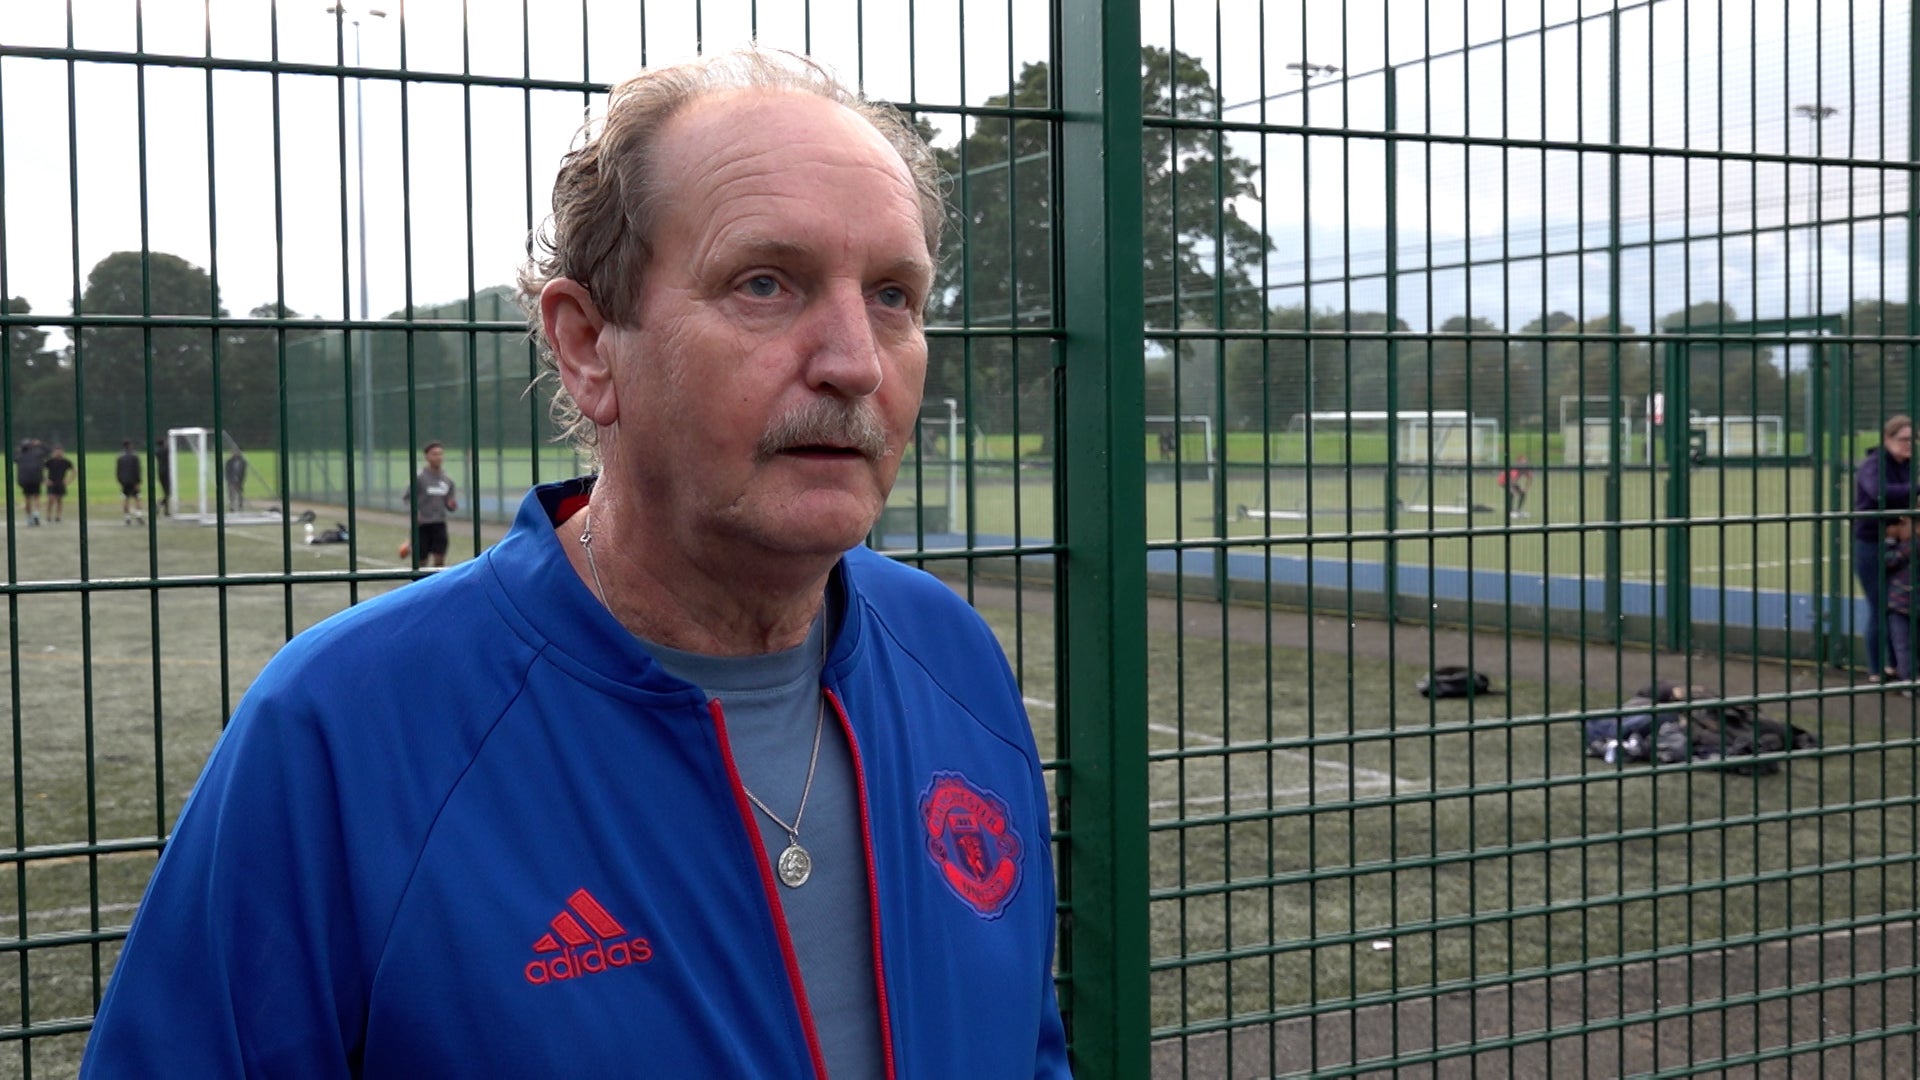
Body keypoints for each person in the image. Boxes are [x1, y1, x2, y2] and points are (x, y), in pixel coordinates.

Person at [84, 49, 1067, 1078]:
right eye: (765, 283)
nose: (855, 360)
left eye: (893, 295)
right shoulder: (344, 731)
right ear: (590, 345)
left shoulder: (952, 656)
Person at [1854, 415, 1915, 682]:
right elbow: (1880, 492)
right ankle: (1877, 671)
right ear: (1887, 439)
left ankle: (1896, 666)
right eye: (1903, 439)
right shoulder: (1873, 464)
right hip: (1871, 543)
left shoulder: (1908, 465)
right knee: (1879, 606)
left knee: (1898, 607)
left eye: (1913, 440)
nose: (1909, 444)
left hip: (1898, 542)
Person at [404, 440, 458, 567]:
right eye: (434, 454)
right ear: (427, 456)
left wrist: (451, 505)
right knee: (421, 562)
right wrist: (415, 512)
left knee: (439, 560)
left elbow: (450, 502)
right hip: (422, 525)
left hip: (439, 524)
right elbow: (407, 498)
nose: (438, 457)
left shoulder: (448, 480)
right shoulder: (419, 478)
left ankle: (437, 585)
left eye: (440, 454)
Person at [1885, 515, 1919, 692]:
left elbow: (1887, 561)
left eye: (1904, 524)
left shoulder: (1907, 547)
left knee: (1903, 645)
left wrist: (1890, 540)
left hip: (1901, 604)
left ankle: (1908, 681)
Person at [14, 437, 47, 526]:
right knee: (36, 497)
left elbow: (14, 458)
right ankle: (36, 513)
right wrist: (41, 444)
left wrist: (18, 450)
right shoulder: (37, 453)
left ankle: (29, 518)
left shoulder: (19, 455)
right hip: (36, 478)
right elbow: (47, 452)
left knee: (27, 498)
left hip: (24, 480)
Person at [114, 440, 142, 524]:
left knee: (126, 498)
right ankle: (138, 515)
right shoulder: (135, 457)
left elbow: (118, 470)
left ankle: (127, 517)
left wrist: (120, 480)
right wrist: (138, 481)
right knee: (137, 498)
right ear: (130, 446)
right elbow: (137, 470)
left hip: (124, 481)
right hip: (133, 480)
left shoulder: (120, 457)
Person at [43, 446, 73, 523]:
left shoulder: (66, 462)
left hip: (61, 482)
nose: (58, 453)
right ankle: (48, 515)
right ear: (53, 453)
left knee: (60, 500)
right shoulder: (49, 461)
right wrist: (45, 480)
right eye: (56, 451)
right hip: (51, 482)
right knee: (50, 499)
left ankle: (58, 516)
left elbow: (74, 471)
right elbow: (40, 470)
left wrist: (68, 480)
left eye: (60, 451)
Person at [152, 438, 170, 516]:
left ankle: (166, 510)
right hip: (166, 472)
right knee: (167, 493)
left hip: (160, 472)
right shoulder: (165, 450)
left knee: (166, 492)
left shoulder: (157, 451)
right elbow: (168, 449)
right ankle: (159, 505)